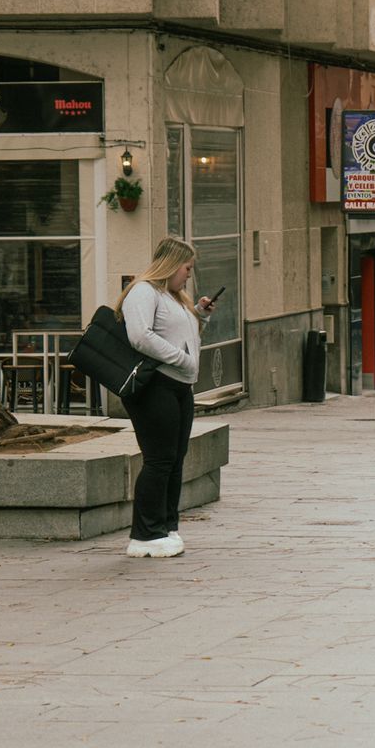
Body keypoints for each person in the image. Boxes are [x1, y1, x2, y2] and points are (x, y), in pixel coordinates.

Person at [117, 236, 217, 558]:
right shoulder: (144, 291)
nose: (189, 274)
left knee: (174, 460)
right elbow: (140, 336)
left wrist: (199, 315)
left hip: (179, 387)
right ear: (173, 264)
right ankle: (144, 534)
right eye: (187, 267)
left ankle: (166, 526)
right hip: (156, 386)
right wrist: (180, 358)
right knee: (159, 459)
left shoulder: (174, 297)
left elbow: (181, 334)